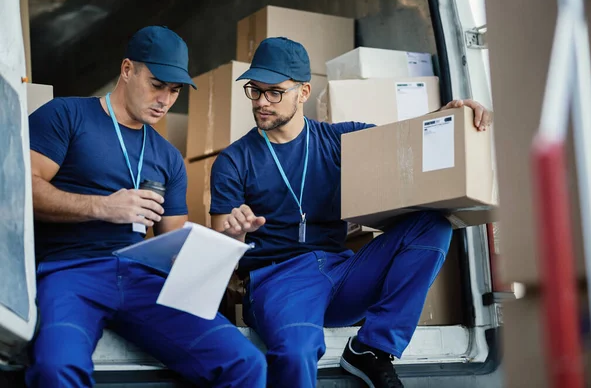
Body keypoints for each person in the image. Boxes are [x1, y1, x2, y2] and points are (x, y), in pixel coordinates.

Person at [209, 37, 492, 388]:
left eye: (275, 92)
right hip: (277, 280)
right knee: (296, 351)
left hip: (341, 273)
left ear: (303, 92)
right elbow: (219, 251)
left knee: (433, 225)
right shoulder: (234, 161)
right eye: (255, 90)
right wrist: (235, 234)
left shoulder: (343, 141)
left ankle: (372, 349)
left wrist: (450, 116)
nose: (262, 102)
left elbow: (403, 142)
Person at [26, 26, 266, 388]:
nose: (165, 100)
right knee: (56, 368)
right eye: (157, 85)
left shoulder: (168, 157)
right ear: (127, 70)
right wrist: (103, 207)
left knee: (245, 363)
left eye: (174, 90)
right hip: (72, 271)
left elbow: (176, 249)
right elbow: (19, 191)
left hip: (143, 281)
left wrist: (227, 238)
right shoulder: (66, 116)